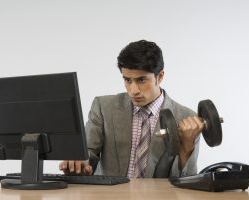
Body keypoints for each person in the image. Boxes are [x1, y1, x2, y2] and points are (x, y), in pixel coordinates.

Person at [59, 40, 204, 178]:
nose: (133, 91)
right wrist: (81, 161)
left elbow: (186, 181)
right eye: (127, 80)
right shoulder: (103, 107)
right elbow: (88, 150)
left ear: (160, 76)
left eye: (141, 80)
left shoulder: (187, 118)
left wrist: (186, 147)